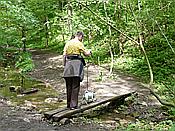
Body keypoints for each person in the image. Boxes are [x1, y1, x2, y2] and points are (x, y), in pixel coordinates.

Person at [63, 31, 91, 110]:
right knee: (75, 85)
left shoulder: (68, 43)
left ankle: (68, 105)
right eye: (82, 38)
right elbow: (85, 53)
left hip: (68, 65)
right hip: (76, 65)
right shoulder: (79, 43)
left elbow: (64, 55)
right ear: (80, 36)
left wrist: (64, 65)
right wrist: (89, 52)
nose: (82, 39)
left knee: (68, 85)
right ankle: (73, 105)